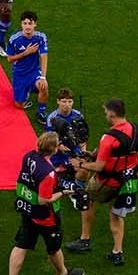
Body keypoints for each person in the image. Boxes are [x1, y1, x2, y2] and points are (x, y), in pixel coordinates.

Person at [12, 132, 88, 275]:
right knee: (54, 247)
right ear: (53, 148)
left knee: (22, 244)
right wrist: (62, 192)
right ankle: (63, 274)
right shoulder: (48, 173)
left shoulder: (29, 156)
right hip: (45, 217)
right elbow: (44, 200)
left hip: (28, 208)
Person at [73, 98, 137, 266]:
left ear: (111, 114)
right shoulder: (135, 129)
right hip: (128, 180)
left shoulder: (108, 138)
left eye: (105, 112)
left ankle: (84, 239)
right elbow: (122, 152)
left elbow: (100, 166)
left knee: (87, 199)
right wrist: (93, 154)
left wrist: (81, 163)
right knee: (115, 214)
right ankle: (117, 252)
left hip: (107, 180)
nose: (105, 115)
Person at [47, 89, 95, 253]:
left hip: (73, 154)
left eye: (70, 101)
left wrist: (81, 153)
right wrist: (62, 148)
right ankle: (72, 188)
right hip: (58, 158)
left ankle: (76, 190)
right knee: (55, 182)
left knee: (84, 169)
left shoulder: (78, 115)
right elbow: (52, 141)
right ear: (58, 101)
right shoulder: (52, 118)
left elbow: (83, 137)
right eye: (64, 101)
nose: (67, 104)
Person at [6, 12, 52, 117]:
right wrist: (25, 53)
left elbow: (44, 56)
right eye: (25, 23)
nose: (27, 26)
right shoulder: (14, 39)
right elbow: (9, 59)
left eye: (30, 23)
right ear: (21, 24)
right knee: (19, 105)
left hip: (34, 71)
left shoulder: (40, 37)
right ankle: (29, 90)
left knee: (44, 86)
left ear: (35, 24)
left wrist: (43, 77)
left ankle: (41, 113)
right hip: (19, 74)